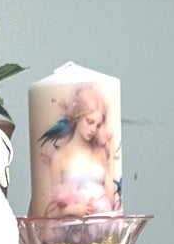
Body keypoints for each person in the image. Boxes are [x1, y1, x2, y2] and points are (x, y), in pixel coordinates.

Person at [37, 84, 120, 217]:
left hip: (102, 223)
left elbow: (111, 200)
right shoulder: (60, 157)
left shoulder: (99, 152)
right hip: (73, 228)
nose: (94, 129)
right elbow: (53, 208)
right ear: (77, 117)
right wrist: (72, 210)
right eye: (89, 121)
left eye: (98, 125)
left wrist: (111, 147)